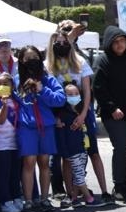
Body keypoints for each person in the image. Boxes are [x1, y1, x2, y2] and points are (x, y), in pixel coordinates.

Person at [47, 27, 111, 201]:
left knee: (93, 151)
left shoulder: (80, 61)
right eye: (58, 43)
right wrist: (56, 118)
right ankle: (71, 194)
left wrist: (83, 114)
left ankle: (105, 191)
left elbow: (87, 91)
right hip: (62, 117)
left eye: (64, 42)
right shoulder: (48, 66)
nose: (61, 45)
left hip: (83, 112)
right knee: (67, 157)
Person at [92, 26, 126, 201]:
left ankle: (125, 183)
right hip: (113, 114)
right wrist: (112, 108)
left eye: (122, 40)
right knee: (121, 147)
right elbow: (98, 87)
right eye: (115, 42)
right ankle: (119, 185)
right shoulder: (103, 60)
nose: (119, 44)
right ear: (109, 44)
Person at [15, 46, 65, 212]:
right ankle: (28, 201)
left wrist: (42, 89)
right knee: (28, 162)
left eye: (35, 57)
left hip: (46, 126)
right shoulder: (17, 80)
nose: (31, 61)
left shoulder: (48, 79)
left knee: (44, 162)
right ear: (21, 61)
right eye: (27, 59)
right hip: (27, 127)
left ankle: (44, 199)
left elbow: (60, 99)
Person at [55, 82, 107, 207]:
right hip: (71, 150)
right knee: (79, 174)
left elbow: (89, 128)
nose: (74, 96)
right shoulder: (63, 114)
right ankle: (89, 199)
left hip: (83, 147)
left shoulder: (84, 110)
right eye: (70, 94)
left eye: (76, 94)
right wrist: (64, 152)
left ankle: (74, 198)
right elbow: (61, 137)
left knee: (80, 173)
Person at [0, 71, 24, 212]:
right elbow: (0, 121)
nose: (2, 87)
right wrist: (4, 105)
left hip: (16, 143)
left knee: (15, 174)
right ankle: (5, 202)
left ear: (12, 85)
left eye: (5, 84)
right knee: (3, 174)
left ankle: (16, 197)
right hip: (1, 145)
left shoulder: (17, 100)